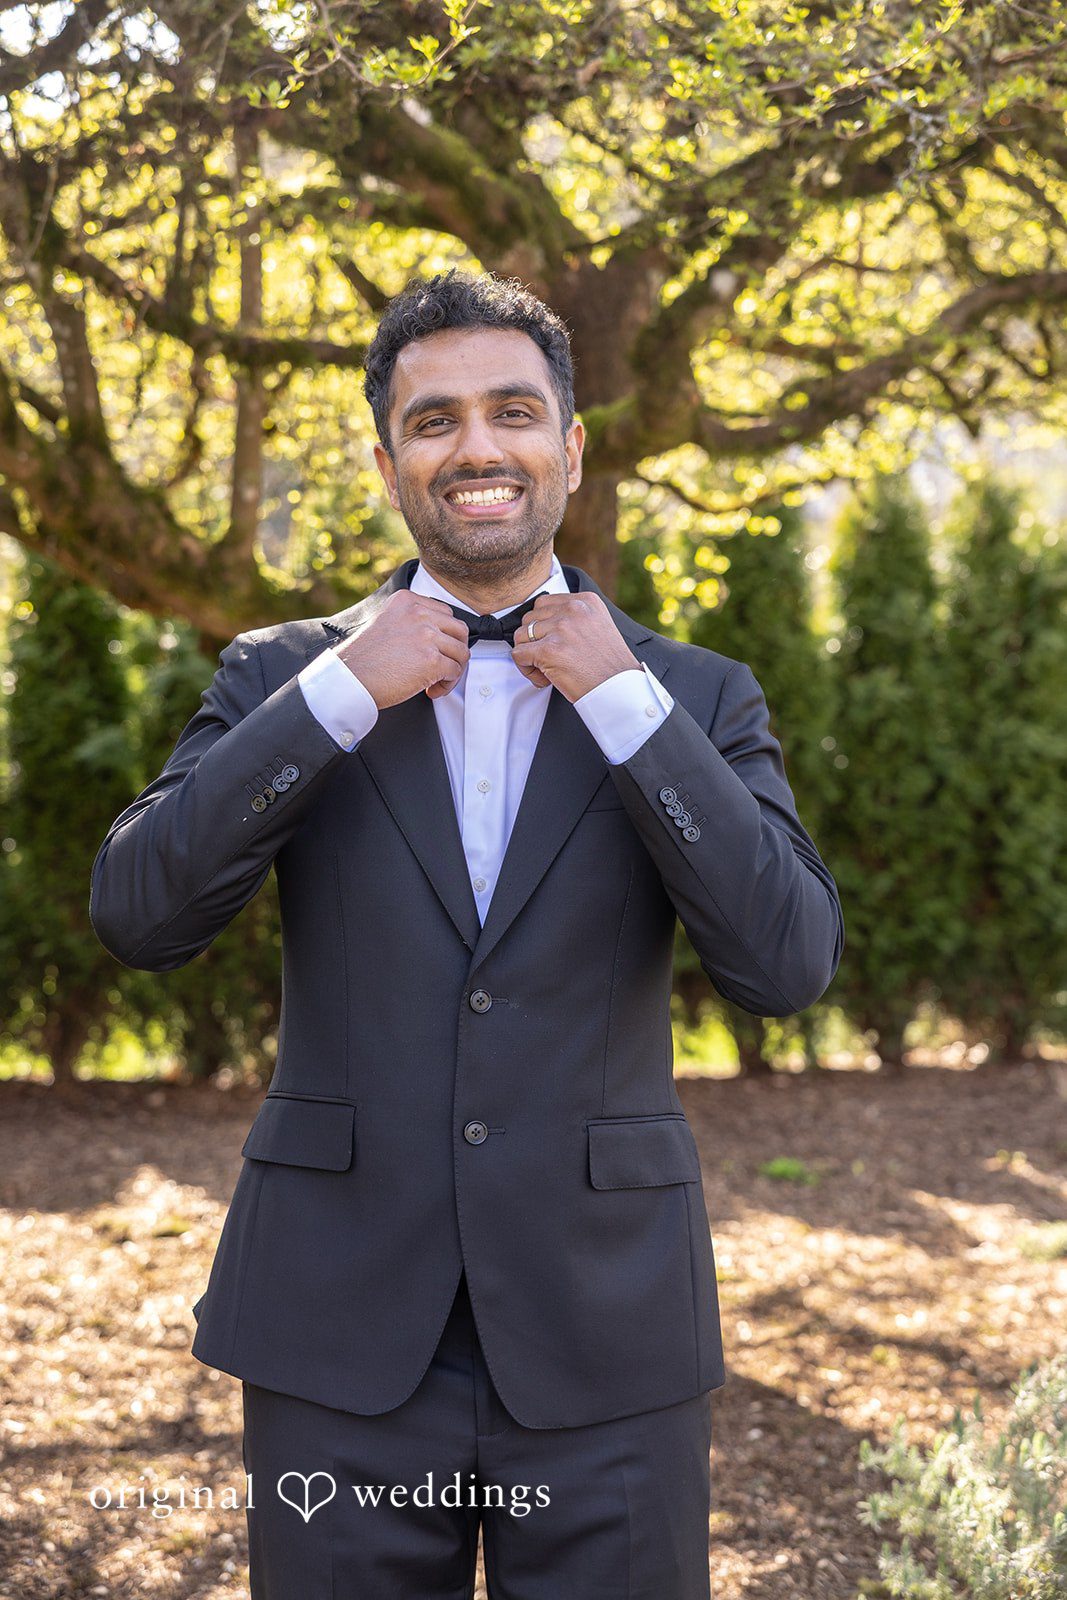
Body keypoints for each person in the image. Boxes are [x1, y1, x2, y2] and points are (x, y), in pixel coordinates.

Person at [90, 268, 844, 1599]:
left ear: (570, 444)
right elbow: (140, 913)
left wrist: (625, 709)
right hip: (336, 1332)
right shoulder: (279, 678)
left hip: (609, 1333)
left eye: (512, 410)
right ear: (388, 464)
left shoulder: (695, 694)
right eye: (435, 421)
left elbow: (784, 963)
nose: (478, 446)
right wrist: (338, 697)